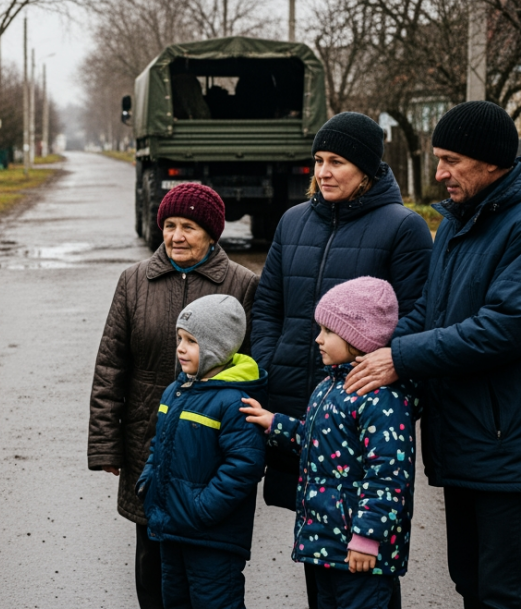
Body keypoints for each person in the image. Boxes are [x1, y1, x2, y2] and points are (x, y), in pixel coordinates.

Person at [345, 101, 521, 609]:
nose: (438, 173)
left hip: (510, 441)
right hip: (467, 435)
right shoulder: (458, 220)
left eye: (450, 159)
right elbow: (431, 308)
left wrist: (399, 359)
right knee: (470, 581)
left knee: (505, 593)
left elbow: (503, 329)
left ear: (491, 161)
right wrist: (370, 350)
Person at [250, 111, 431, 608]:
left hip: (364, 412)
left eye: (337, 162)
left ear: (368, 169)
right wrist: (270, 365)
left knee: (362, 565)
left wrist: (387, 370)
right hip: (303, 410)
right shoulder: (292, 221)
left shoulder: (404, 229)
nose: (323, 172)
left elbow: (419, 316)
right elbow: (268, 306)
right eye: (318, 161)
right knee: (319, 542)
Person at [89, 182, 259, 609]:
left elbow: (254, 369)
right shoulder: (133, 281)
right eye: (169, 225)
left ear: (212, 233)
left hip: (208, 449)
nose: (176, 236)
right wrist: (106, 444)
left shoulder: (241, 284)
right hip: (148, 444)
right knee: (151, 564)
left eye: (188, 226)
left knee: (207, 567)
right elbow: (111, 367)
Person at [242, 277, 415, 609]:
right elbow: (318, 440)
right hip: (325, 542)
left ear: (357, 337)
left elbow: (389, 475)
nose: (318, 338)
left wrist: (367, 537)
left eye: (328, 331)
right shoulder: (329, 387)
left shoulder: (381, 399)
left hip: (360, 548)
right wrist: (274, 423)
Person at [135, 294, 266, 609]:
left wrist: (203, 508)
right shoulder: (176, 390)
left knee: (216, 602)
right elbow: (160, 444)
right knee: (175, 601)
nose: (180, 347)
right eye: (179, 338)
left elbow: (245, 465)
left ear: (217, 348)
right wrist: (147, 481)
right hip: (171, 529)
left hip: (212, 538)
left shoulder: (234, 402)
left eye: (191, 341)